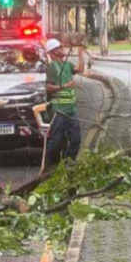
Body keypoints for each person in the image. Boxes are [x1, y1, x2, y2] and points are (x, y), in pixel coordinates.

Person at [45, 39, 85, 167]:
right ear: (53, 52)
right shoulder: (52, 67)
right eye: (59, 47)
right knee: (56, 140)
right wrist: (64, 86)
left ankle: (68, 162)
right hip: (59, 110)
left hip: (70, 109)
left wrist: (80, 55)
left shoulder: (67, 65)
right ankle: (47, 164)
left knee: (76, 138)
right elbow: (48, 88)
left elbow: (80, 69)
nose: (62, 49)